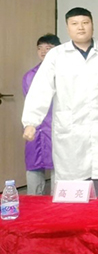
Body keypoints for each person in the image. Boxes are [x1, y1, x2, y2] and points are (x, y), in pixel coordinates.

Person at [22, 8, 98, 186]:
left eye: (85, 23)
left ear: (92, 25)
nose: (80, 27)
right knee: (72, 183)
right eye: (75, 24)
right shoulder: (56, 55)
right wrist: (31, 122)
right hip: (70, 127)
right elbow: (41, 88)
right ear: (68, 27)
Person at [21, 33, 61, 195]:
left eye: (48, 48)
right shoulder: (30, 75)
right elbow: (32, 104)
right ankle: (33, 202)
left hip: (57, 128)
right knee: (34, 167)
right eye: (40, 48)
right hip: (37, 129)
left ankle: (58, 203)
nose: (43, 51)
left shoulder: (65, 73)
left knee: (60, 168)